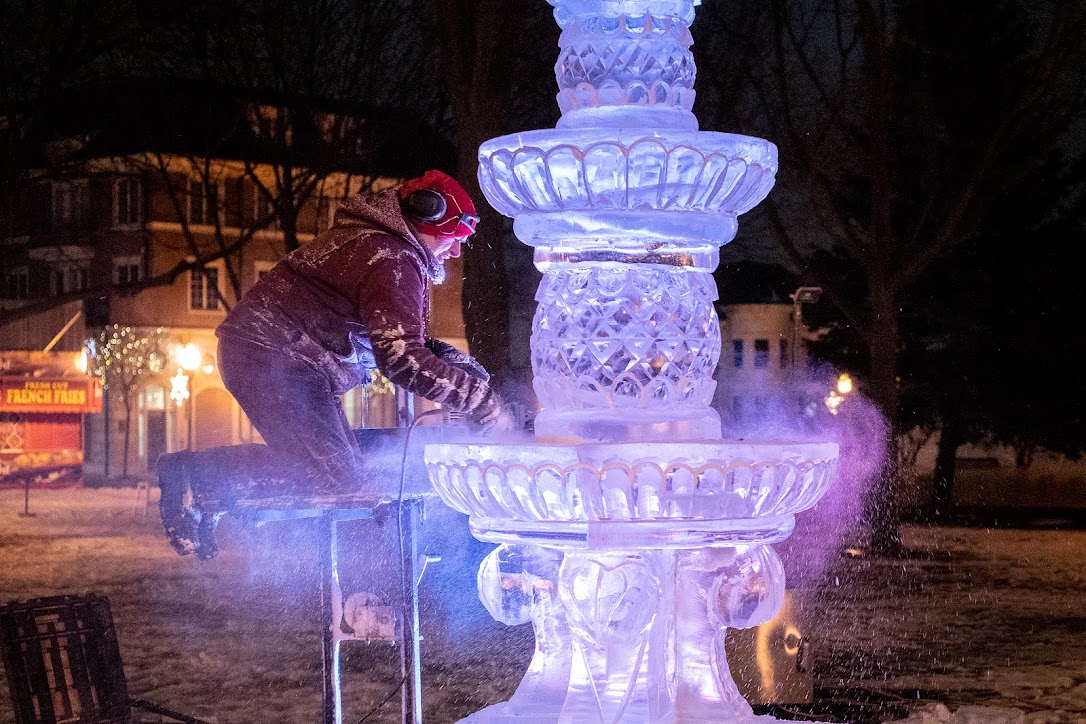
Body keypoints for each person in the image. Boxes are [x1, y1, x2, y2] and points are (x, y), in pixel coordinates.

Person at [158, 170, 514, 560]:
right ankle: (195, 478)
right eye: (453, 238)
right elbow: (401, 358)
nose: (456, 251)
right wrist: (480, 402)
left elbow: (387, 329)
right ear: (427, 217)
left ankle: (209, 489)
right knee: (333, 480)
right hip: (274, 353)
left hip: (278, 353)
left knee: (348, 468)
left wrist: (447, 358)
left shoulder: (380, 248)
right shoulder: (391, 257)